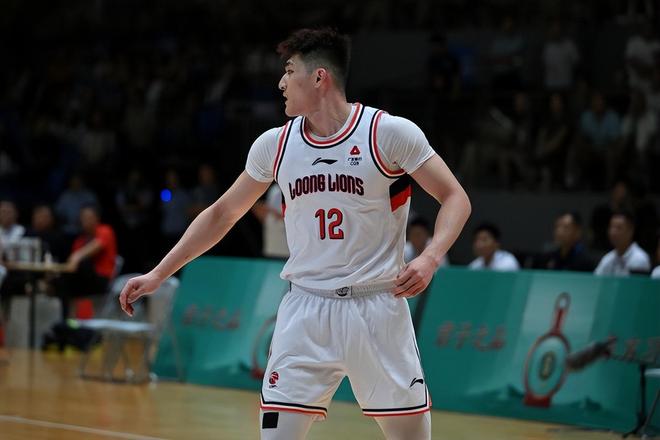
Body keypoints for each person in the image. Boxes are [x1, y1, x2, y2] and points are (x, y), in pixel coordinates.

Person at [119, 28, 471, 440]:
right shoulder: (275, 145)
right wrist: (159, 273)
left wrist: (430, 257)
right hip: (306, 309)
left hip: (377, 305)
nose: (281, 83)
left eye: (289, 71)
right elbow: (222, 214)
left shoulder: (387, 133)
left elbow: (455, 197)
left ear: (319, 77)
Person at [53, 205, 117, 319]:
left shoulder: (105, 230)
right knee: (62, 282)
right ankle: (67, 319)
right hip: (83, 281)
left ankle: (69, 319)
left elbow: (95, 247)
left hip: (102, 279)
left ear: (97, 218)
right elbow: (71, 264)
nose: (86, 221)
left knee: (83, 265)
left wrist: (76, 256)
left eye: (89, 217)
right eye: (84, 218)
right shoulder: (80, 240)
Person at [594, 211, 651, 276]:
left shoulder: (639, 259)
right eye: (611, 227)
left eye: (619, 228)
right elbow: (596, 279)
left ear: (631, 231)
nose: (613, 232)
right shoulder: (607, 259)